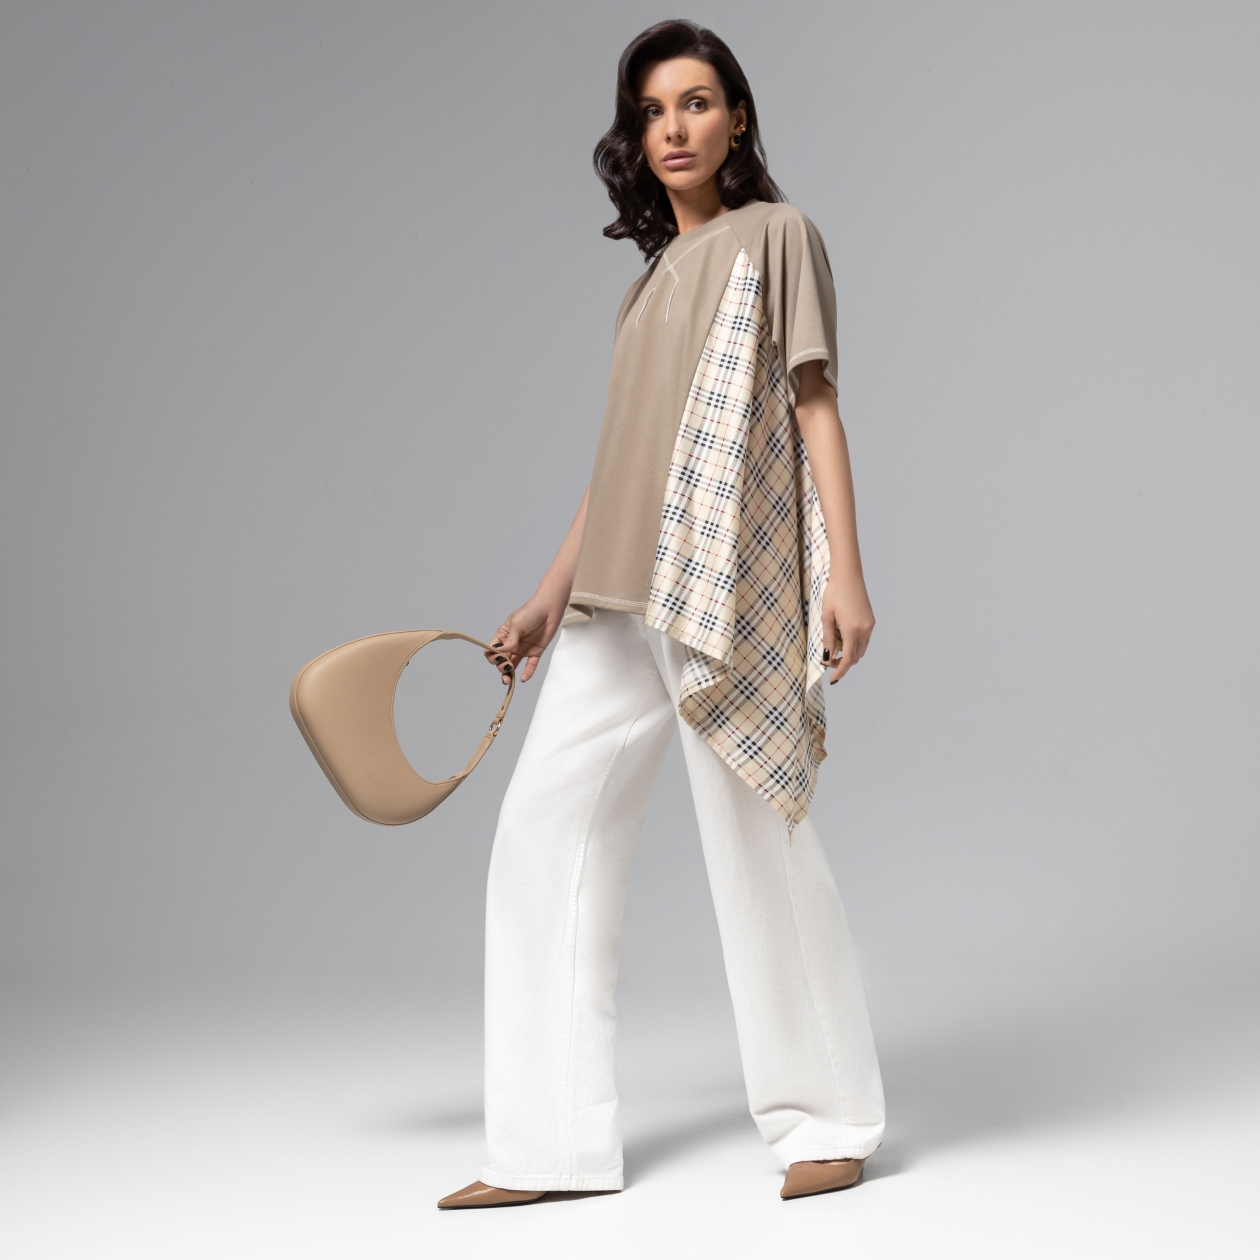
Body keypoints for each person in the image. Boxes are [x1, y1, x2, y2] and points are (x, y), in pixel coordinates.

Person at [439, 19, 885, 1208]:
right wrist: (548, 596)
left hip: (715, 583)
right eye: (652, 111)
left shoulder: (776, 237)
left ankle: (829, 1119)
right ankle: (546, 1148)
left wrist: (844, 573)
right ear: (634, 137)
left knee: (758, 844)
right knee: (542, 839)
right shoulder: (641, 294)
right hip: (610, 599)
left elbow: (816, 403)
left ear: (737, 118)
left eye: (695, 103)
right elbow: (617, 465)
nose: (674, 128)